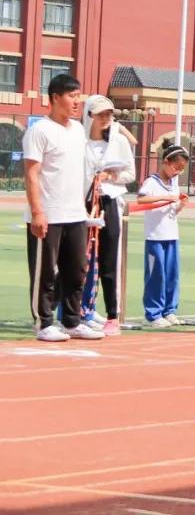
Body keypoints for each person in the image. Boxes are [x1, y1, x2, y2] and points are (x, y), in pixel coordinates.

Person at [23, 74, 102, 342]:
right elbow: (32, 174)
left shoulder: (78, 130)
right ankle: (44, 322)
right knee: (45, 271)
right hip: (48, 213)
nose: (76, 102)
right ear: (55, 98)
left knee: (76, 270)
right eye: (71, 96)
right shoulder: (39, 131)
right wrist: (37, 212)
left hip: (75, 213)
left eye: (78, 96)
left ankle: (72, 321)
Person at [80, 95, 135, 336]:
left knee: (109, 257)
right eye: (101, 114)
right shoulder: (78, 141)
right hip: (81, 202)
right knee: (79, 258)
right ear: (89, 115)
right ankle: (79, 310)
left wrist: (111, 176)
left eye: (109, 114)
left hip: (109, 201)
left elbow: (130, 174)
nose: (106, 118)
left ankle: (113, 314)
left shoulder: (119, 141)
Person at [138, 144, 190, 328]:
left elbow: (172, 210)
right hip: (155, 236)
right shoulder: (151, 182)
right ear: (166, 162)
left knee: (171, 275)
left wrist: (180, 204)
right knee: (156, 275)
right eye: (176, 167)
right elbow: (141, 199)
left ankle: (169, 310)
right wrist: (166, 199)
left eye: (181, 170)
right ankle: (153, 314)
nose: (177, 172)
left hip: (171, 235)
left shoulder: (173, 184)